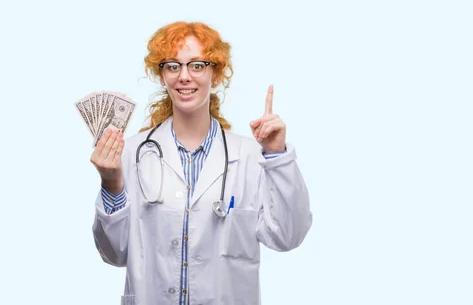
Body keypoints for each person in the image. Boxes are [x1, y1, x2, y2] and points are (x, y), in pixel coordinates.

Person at [90, 21, 313, 305]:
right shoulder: (131, 152)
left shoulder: (249, 156)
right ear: (162, 76)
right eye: (173, 66)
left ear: (216, 74)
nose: (184, 76)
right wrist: (110, 184)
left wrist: (277, 156)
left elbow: (287, 237)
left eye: (197, 65)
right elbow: (115, 254)